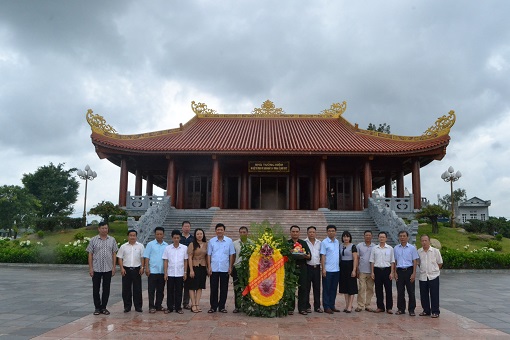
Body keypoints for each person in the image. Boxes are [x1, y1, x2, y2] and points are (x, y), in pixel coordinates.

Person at [86, 221, 118, 315]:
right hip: (96, 268)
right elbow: (90, 254)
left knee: (106, 288)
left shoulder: (112, 240)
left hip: (108, 268)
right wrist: (91, 268)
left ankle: (104, 307)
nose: (105, 230)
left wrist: (113, 267)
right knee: (96, 289)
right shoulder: (93, 240)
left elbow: (114, 253)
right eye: (103, 228)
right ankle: (97, 307)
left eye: (106, 228)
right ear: (99, 229)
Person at [207, 223, 235, 313]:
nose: (219, 231)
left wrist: (230, 267)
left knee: (224, 288)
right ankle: (213, 306)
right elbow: (209, 255)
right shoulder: (211, 241)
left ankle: (222, 306)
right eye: (218, 229)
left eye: (221, 229)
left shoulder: (229, 241)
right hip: (214, 268)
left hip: (224, 268)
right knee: (213, 288)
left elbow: (231, 254)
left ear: (224, 231)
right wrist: (209, 267)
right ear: (215, 231)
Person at [117, 229, 145, 313]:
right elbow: (120, 258)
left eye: (134, 235)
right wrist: (121, 268)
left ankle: (138, 306)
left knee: (137, 289)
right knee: (126, 289)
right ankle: (127, 306)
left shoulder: (140, 246)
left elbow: (142, 257)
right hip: (126, 270)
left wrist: (142, 267)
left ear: (136, 236)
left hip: (137, 269)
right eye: (131, 235)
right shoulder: (123, 246)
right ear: (128, 236)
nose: (132, 237)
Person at [394, 230, 419, 316]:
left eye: (404, 236)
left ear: (407, 237)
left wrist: (414, 273)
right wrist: (395, 272)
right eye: (400, 236)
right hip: (399, 271)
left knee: (411, 291)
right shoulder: (396, 248)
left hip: (409, 271)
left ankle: (411, 309)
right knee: (400, 291)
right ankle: (401, 309)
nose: (402, 238)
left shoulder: (412, 248)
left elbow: (415, 261)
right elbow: (395, 261)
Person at [417, 234, 443, 318]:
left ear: (429, 241)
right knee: (423, 294)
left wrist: (434, 270)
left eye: (426, 240)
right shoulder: (419, 251)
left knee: (434, 294)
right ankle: (426, 310)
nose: (424, 242)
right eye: (422, 241)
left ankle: (435, 311)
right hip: (423, 276)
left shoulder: (435, 251)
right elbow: (418, 263)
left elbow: (440, 263)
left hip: (433, 276)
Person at [162, 230, 188, 314]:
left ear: (180, 238)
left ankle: (178, 307)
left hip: (180, 273)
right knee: (170, 291)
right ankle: (170, 307)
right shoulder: (168, 248)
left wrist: (185, 272)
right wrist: (165, 273)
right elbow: (166, 261)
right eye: (174, 238)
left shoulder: (184, 248)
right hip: (170, 273)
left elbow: (185, 261)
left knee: (179, 291)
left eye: (178, 238)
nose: (176, 239)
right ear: (172, 238)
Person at [143, 226, 168, 313]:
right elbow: (146, 257)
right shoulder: (150, 244)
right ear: (155, 234)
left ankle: (158, 305)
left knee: (160, 290)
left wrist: (166, 271)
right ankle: (151, 306)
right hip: (152, 271)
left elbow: (167, 259)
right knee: (151, 290)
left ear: (163, 235)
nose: (159, 235)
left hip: (162, 271)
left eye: (161, 234)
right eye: (157, 234)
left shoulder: (166, 245)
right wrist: (147, 268)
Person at [288, 225, 311, 315]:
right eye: (293, 231)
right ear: (290, 233)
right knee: (291, 288)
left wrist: (303, 254)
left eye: (297, 232)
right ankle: (290, 308)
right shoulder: (287, 243)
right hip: (291, 269)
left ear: (299, 233)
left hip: (302, 268)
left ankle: (302, 308)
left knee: (303, 288)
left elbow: (309, 256)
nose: (295, 233)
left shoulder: (303, 243)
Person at [370, 231, 395, 314]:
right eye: (380, 237)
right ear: (378, 238)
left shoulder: (390, 248)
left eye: (383, 237)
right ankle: (380, 307)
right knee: (378, 289)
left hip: (387, 270)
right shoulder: (374, 248)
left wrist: (392, 272)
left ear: (386, 238)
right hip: (377, 270)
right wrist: (372, 272)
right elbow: (372, 261)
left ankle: (389, 307)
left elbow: (392, 261)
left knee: (388, 290)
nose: (382, 238)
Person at [320, 224, 340, 314]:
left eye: (333, 231)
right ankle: (326, 306)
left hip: (336, 270)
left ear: (335, 232)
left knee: (334, 289)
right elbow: (323, 256)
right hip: (328, 270)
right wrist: (323, 268)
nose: (331, 232)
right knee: (326, 289)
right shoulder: (324, 242)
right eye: (329, 231)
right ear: (327, 232)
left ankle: (332, 305)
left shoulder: (337, 242)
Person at [187, 228, 208, 313]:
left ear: (203, 235)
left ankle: (197, 303)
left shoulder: (206, 244)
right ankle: (193, 304)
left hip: (202, 266)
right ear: (195, 235)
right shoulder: (192, 244)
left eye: (201, 234)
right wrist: (191, 270)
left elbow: (207, 256)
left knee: (200, 286)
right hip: (194, 266)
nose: (199, 235)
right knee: (192, 286)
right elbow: (189, 257)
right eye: (198, 234)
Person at [355, 230, 376, 312]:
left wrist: (373, 272)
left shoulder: (375, 247)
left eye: (369, 235)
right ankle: (360, 305)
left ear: (372, 236)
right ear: (364, 236)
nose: (368, 237)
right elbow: (357, 258)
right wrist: (357, 269)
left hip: (371, 271)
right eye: (366, 235)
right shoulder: (359, 246)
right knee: (361, 288)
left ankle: (368, 304)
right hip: (362, 270)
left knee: (370, 289)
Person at [232, 226, 251, 313]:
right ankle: (238, 306)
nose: (242, 234)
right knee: (237, 288)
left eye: (244, 232)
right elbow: (233, 256)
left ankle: (246, 305)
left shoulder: (252, 243)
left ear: (247, 233)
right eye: (241, 232)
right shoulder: (234, 243)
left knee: (247, 287)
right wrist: (231, 266)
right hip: (237, 267)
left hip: (247, 268)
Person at [339, 230, 358, 313]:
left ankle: (350, 305)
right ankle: (347, 305)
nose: (346, 238)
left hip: (350, 266)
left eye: (347, 236)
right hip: (342, 267)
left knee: (351, 286)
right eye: (344, 236)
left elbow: (355, 258)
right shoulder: (340, 246)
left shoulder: (353, 246)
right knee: (344, 286)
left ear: (350, 238)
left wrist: (354, 270)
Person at [305, 226, 322, 313]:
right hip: (307, 267)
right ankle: (307, 306)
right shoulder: (304, 243)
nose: (312, 234)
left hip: (317, 267)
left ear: (315, 233)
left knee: (317, 288)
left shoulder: (320, 243)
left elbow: (322, 256)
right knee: (307, 288)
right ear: (307, 233)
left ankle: (317, 306)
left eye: (313, 232)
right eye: (310, 232)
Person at [180, 221, 194, 310]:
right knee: (178, 284)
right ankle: (176, 302)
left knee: (187, 284)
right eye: (185, 226)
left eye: (188, 226)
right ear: (182, 227)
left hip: (189, 264)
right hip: (178, 263)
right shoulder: (178, 237)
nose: (186, 228)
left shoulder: (193, 238)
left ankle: (186, 303)